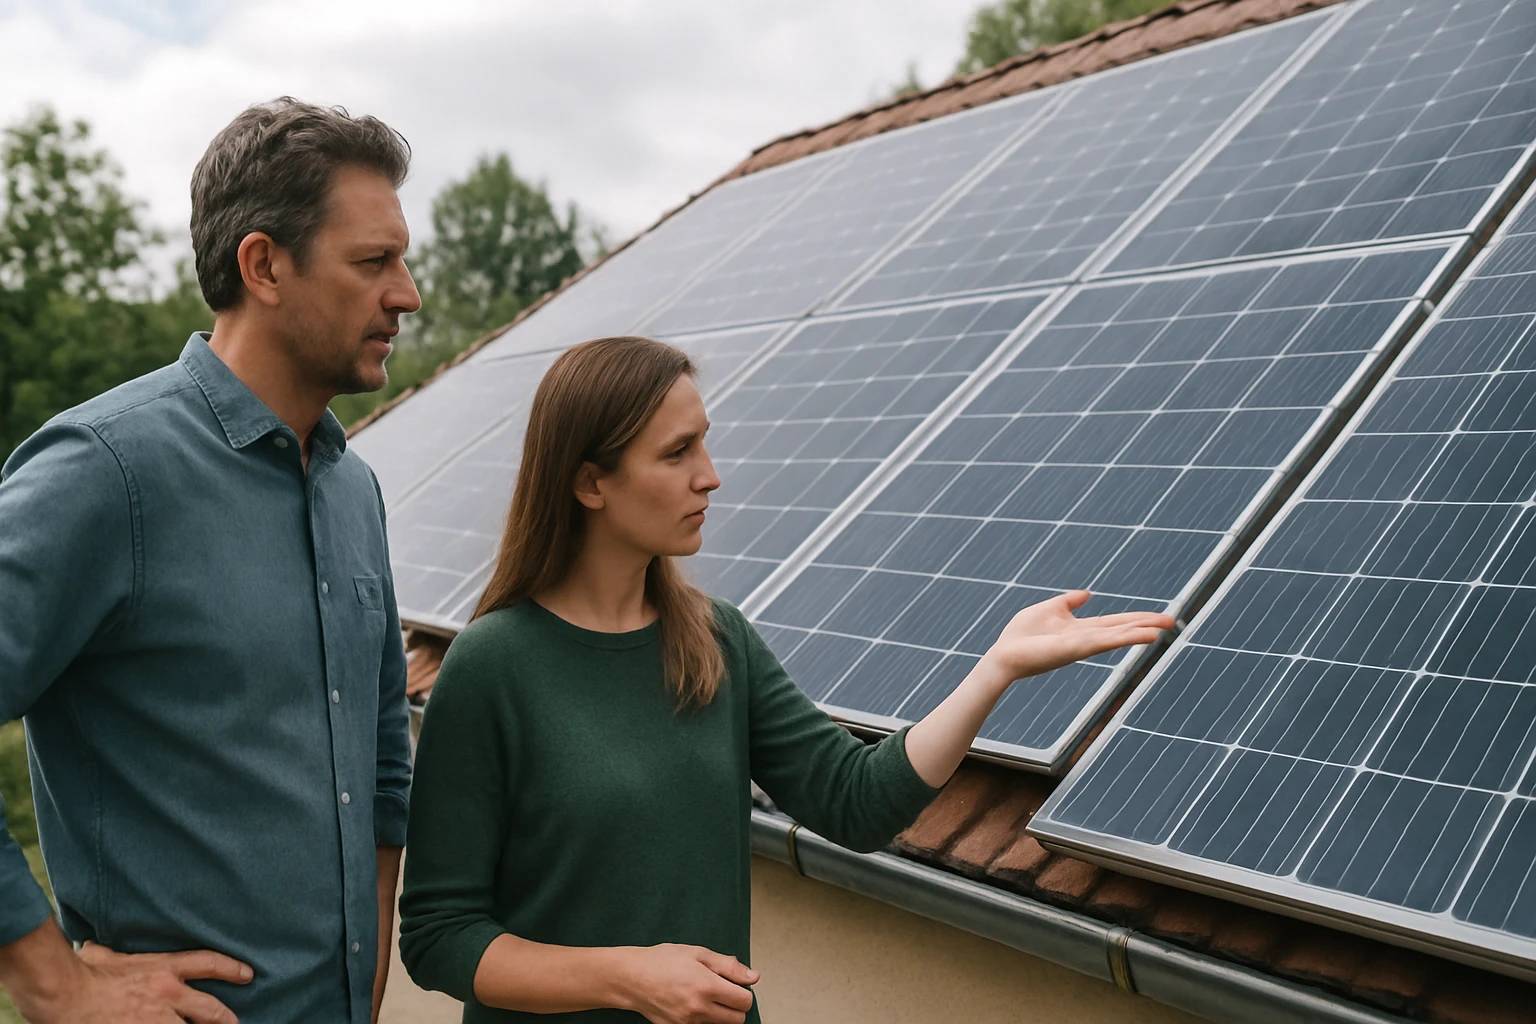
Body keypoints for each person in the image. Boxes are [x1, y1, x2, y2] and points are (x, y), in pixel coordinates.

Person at [399, 337, 1174, 1023]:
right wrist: (628, 978)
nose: (711, 477)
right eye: (677, 454)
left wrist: (995, 669)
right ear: (589, 482)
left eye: (704, 445)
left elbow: (856, 801)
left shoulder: (714, 639)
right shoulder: (494, 666)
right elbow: (440, 938)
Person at [0, 97, 421, 1024]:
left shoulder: (355, 490)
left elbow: (386, 767)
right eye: (372, 262)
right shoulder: (104, 473)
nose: (408, 294)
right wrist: (54, 987)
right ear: (264, 265)